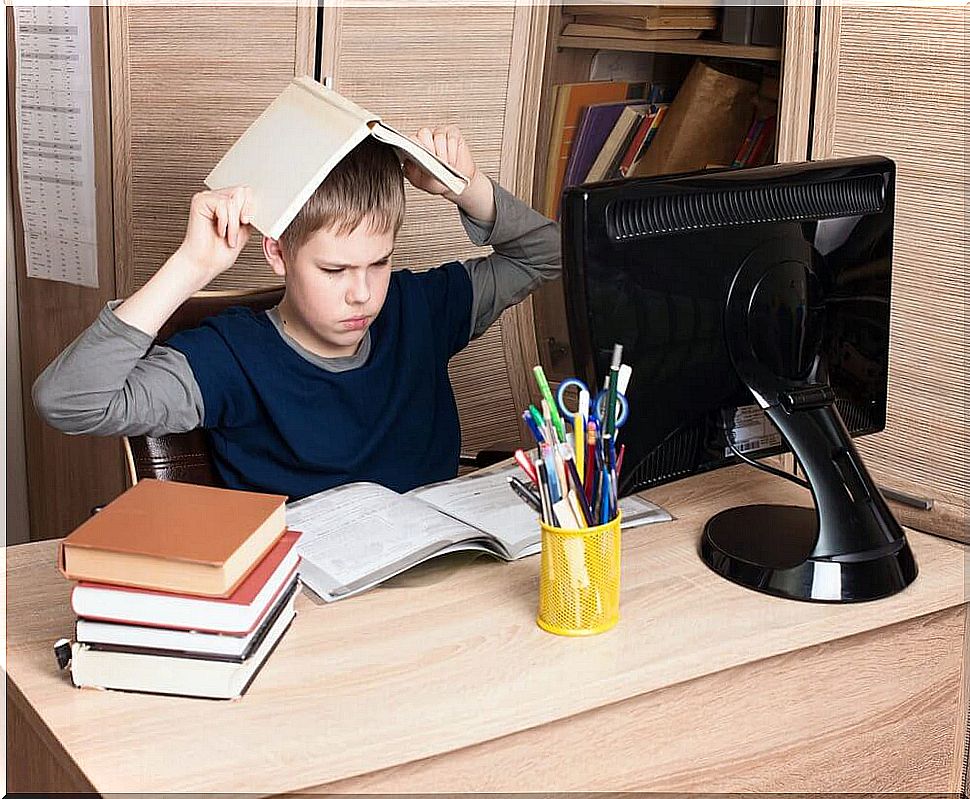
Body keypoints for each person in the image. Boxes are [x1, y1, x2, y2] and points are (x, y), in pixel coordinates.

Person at [33, 126, 560, 499]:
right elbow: (68, 402)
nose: (362, 294)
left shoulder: (421, 307)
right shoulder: (227, 358)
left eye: (379, 263)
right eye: (334, 271)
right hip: (302, 606)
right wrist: (191, 267)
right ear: (278, 253)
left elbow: (554, 255)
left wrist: (467, 190)